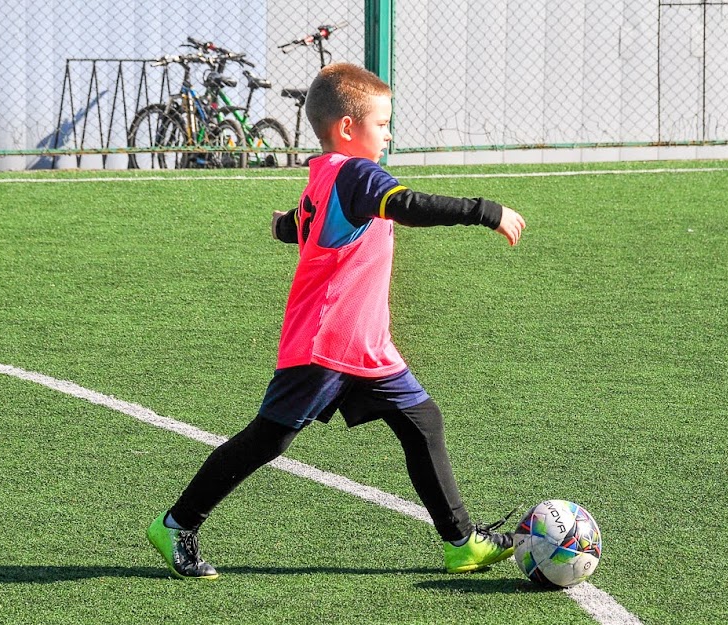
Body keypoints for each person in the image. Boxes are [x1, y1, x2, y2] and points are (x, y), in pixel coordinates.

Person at [147, 62, 527, 579]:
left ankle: (461, 543)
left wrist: (284, 224)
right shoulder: (356, 174)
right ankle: (177, 524)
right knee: (267, 440)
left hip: (365, 345)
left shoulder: (325, 177)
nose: (389, 132)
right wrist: (485, 211)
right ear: (347, 128)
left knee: (423, 423)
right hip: (325, 345)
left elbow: (298, 227)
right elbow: (406, 204)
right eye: (382, 123)